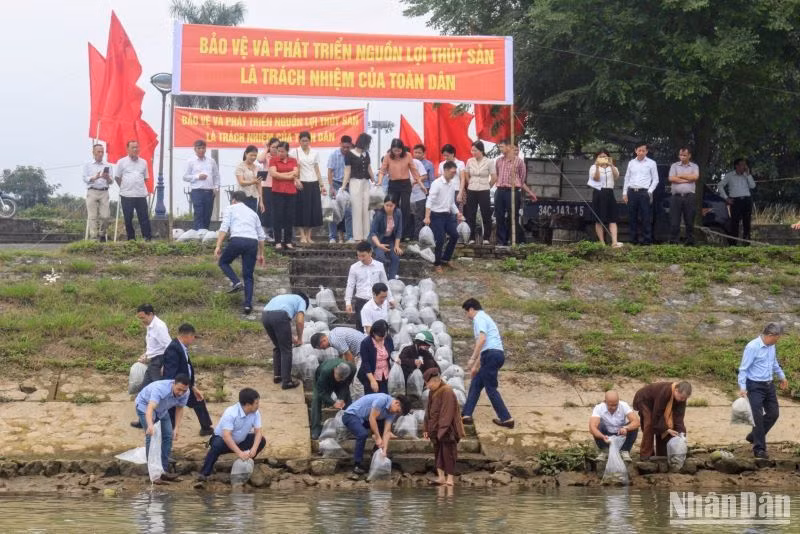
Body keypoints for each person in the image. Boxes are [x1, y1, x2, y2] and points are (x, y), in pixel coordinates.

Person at [460, 298, 514, 429]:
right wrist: (476, 367)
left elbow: (482, 340)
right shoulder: (484, 317)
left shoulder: (479, 318)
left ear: (471, 309)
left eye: (466, 312)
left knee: (490, 388)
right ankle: (466, 415)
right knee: (476, 383)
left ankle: (507, 419)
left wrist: (472, 358)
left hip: (491, 355)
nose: (467, 316)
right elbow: (485, 348)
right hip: (492, 355)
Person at [738, 323, 788, 459]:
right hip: (754, 386)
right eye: (777, 337)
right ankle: (759, 449)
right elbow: (743, 369)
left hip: (769, 385)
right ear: (770, 335)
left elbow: (774, 363)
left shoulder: (772, 346)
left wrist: (782, 376)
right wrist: (742, 387)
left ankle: (753, 436)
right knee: (757, 417)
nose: (778, 340)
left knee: (773, 413)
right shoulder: (752, 347)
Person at [214, 190, 267, 315]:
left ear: (234, 199)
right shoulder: (253, 213)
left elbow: (224, 228)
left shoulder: (230, 208)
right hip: (252, 242)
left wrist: (218, 245)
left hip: (237, 240)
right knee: (248, 275)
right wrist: (261, 254)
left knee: (223, 262)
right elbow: (261, 236)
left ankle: (236, 282)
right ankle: (248, 305)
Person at [197, 387, 266, 482]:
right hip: (224, 441)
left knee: (261, 440)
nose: (258, 405)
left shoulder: (255, 413)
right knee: (216, 445)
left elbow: (258, 432)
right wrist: (239, 453)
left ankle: (245, 462)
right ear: (248, 404)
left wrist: (254, 449)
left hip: (240, 441)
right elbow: (226, 436)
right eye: (256, 403)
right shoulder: (231, 412)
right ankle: (204, 473)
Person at [134, 374, 191, 484]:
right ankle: (153, 474)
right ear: (173, 383)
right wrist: (150, 425)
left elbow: (179, 409)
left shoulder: (186, 392)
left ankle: (163, 471)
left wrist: (176, 428)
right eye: (179, 389)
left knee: (168, 436)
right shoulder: (160, 389)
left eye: (184, 390)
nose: (181, 393)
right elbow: (150, 408)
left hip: (162, 410)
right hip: (144, 405)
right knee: (151, 436)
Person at [162, 323, 214, 436]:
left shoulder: (181, 347)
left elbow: (187, 368)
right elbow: (170, 373)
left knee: (198, 400)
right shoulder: (173, 349)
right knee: (172, 408)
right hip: (178, 386)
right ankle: (169, 433)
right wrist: (173, 389)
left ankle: (206, 428)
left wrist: (193, 387)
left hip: (186, 384)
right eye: (193, 337)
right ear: (188, 336)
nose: (193, 339)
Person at [342, 392, 411, 475]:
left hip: (365, 419)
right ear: (397, 403)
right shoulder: (382, 400)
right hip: (351, 416)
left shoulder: (392, 412)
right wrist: (378, 438)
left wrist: (384, 450)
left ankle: (376, 454)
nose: (395, 414)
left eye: (398, 413)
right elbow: (372, 418)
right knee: (362, 434)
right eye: (397, 411)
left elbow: (387, 431)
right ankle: (357, 464)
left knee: (383, 426)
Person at [129, 303, 171, 429]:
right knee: (144, 391)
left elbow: (169, 347)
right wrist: (146, 355)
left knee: (158, 393)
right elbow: (154, 346)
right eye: (140, 318)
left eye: (143, 318)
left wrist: (165, 365)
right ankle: (144, 420)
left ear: (151, 314)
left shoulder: (159, 326)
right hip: (153, 362)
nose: (141, 321)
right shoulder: (150, 325)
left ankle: (162, 422)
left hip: (159, 362)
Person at [423, 368, 465, 486]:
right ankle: (441, 477)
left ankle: (450, 479)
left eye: (428, 383)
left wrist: (442, 430)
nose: (427, 386)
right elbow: (428, 411)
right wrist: (426, 428)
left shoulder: (447, 391)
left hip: (447, 429)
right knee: (438, 453)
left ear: (436, 381)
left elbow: (447, 413)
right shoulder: (432, 392)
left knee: (448, 453)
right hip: (435, 428)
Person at [632, 381, 692, 460]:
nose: (683, 400)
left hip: (656, 404)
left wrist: (681, 433)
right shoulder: (665, 392)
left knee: (668, 424)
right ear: (676, 390)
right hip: (644, 400)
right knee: (650, 424)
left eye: (685, 398)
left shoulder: (681, 398)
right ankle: (646, 455)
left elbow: (679, 417)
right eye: (681, 397)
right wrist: (666, 429)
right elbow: (658, 414)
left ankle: (661, 454)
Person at [344, 241, 395, 332]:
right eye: (359, 256)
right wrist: (348, 302)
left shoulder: (379, 266)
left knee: (378, 328)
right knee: (361, 328)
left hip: (376, 301)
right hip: (361, 301)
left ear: (370, 253)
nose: (361, 258)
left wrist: (390, 299)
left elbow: (385, 283)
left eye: (363, 256)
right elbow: (350, 285)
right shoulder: (354, 267)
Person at [494, 140, 537, 246]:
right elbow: (497, 175)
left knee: (512, 217)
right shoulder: (499, 161)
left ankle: (514, 240)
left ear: (509, 147)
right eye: (499, 147)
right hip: (500, 190)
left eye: (502, 147)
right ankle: (501, 241)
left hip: (512, 191)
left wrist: (527, 191)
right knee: (499, 216)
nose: (500, 149)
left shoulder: (519, 162)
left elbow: (522, 179)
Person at [262, 291, 308, 389]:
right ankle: (287, 382)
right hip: (280, 316)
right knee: (286, 350)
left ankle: (277, 375)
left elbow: (281, 327)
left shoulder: (285, 297)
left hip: (265, 316)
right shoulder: (302, 300)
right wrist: (299, 338)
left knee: (278, 346)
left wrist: (291, 338)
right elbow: (300, 321)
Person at [424, 161, 464, 273]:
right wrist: (427, 216)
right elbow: (429, 201)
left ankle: (445, 258)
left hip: (448, 215)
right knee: (440, 239)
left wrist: (457, 213)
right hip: (436, 215)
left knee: (455, 235)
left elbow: (451, 202)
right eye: (452, 172)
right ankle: (437, 263)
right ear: (445, 170)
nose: (453, 175)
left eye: (455, 173)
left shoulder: (452, 184)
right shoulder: (436, 183)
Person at [379, 139, 420, 241]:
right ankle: (393, 232)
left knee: (405, 208)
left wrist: (420, 182)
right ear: (392, 149)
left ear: (402, 149)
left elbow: (413, 169)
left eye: (399, 150)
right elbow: (382, 170)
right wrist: (379, 181)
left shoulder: (408, 155)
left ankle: (404, 233)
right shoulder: (388, 156)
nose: (397, 153)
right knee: (392, 208)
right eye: (395, 150)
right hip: (393, 184)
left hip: (405, 184)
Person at [460, 141, 497, 244]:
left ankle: (486, 238)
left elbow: (494, 177)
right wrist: (470, 183)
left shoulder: (489, 161)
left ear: (481, 150)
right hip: (472, 189)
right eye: (472, 150)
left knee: (486, 213)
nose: (473, 152)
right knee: (471, 213)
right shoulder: (469, 161)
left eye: (475, 150)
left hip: (484, 189)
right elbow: (466, 173)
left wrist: (488, 186)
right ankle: (471, 237)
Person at [622, 142, 659, 245]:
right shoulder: (631, 163)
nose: (641, 152)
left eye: (643, 150)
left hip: (644, 192)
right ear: (635, 151)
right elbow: (627, 178)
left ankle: (646, 240)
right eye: (639, 150)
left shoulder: (651, 163)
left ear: (647, 151)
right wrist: (624, 193)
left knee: (646, 217)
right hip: (632, 191)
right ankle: (633, 240)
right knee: (632, 217)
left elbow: (656, 179)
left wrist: (649, 192)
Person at [114, 140, 152, 241]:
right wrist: (124, 187)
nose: (135, 149)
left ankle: (147, 238)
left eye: (137, 147)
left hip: (140, 195)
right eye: (133, 147)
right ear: (128, 149)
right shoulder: (122, 162)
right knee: (128, 218)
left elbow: (145, 178)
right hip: (126, 195)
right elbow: (117, 177)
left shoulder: (143, 162)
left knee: (144, 218)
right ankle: (131, 239)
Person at [589, 390, 640, 463]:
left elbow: (636, 422)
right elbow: (592, 427)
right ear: (605, 402)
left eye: (616, 405)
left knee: (633, 426)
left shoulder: (624, 405)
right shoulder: (599, 408)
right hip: (606, 435)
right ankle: (605, 450)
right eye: (611, 405)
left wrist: (626, 428)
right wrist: (602, 437)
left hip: (621, 433)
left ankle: (625, 450)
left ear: (618, 401)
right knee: (598, 425)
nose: (613, 407)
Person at [310, 359, 356, 440]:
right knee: (316, 399)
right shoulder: (325, 371)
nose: (339, 379)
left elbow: (345, 386)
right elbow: (321, 391)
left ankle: (350, 426)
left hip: (342, 384)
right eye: (338, 377)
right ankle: (315, 429)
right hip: (322, 379)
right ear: (335, 369)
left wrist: (342, 398)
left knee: (348, 400)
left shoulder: (352, 369)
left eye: (342, 378)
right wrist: (333, 402)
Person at [341, 133, 375, 241]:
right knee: (357, 209)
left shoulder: (366, 154)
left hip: (366, 182)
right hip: (355, 182)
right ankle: (358, 236)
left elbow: (369, 168)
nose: (368, 145)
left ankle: (366, 235)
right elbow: (347, 171)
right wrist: (343, 186)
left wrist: (374, 180)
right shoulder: (350, 154)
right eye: (368, 143)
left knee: (366, 209)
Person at [294, 131, 326, 244]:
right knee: (301, 210)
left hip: (313, 183)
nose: (305, 143)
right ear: (299, 141)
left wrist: (322, 185)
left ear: (310, 141)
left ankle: (308, 236)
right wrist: (296, 180)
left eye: (307, 140)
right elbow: (294, 169)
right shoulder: (295, 152)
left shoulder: (314, 152)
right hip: (301, 184)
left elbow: (317, 169)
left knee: (313, 210)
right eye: (303, 141)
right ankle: (302, 235)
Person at [182, 139, 221, 231]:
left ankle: (204, 233)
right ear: (195, 149)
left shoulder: (211, 161)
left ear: (205, 149)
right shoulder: (190, 161)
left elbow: (216, 175)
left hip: (209, 191)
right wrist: (197, 177)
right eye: (199, 148)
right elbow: (185, 177)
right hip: (197, 191)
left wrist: (216, 187)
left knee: (207, 214)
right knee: (199, 213)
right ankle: (198, 234)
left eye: (203, 148)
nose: (201, 150)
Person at [269, 141, 301, 250]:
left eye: (282, 151)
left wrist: (281, 175)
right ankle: (278, 241)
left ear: (287, 151)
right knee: (277, 216)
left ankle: (288, 241)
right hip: (277, 191)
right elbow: (273, 174)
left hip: (291, 192)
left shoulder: (293, 160)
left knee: (289, 217)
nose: (280, 153)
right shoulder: (273, 160)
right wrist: (289, 176)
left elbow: (296, 173)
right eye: (278, 151)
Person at [718, 158, 756, 246]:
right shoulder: (730, 175)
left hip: (746, 200)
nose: (744, 167)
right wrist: (726, 198)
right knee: (734, 223)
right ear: (737, 166)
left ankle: (746, 243)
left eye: (745, 165)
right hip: (735, 201)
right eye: (742, 164)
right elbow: (720, 185)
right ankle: (733, 244)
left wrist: (748, 175)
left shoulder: (747, 175)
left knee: (747, 222)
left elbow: (753, 186)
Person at [588, 149, 622, 247]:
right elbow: (596, 178)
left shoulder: (612, 167)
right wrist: (597, 167)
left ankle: (614, 242)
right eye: (600, 157)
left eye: (605, 156)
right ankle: (602, 243)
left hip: (609, 192)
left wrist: (611, 165)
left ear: (608, 157)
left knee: (613, 218)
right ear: (597, 158)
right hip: (599, 192)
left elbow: (616, 176)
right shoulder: (593, 167)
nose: (603, 158)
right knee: (599, 219)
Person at [667, 147, 700, 245]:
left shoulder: (694, 166)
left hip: (689, 196)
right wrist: (687, 179)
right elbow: (671, 178)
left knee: (689, 220)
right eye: (681, 155)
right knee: (674, 221)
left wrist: (680, 175)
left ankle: (690, 241)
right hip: (676, 196)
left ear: (689, 155)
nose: (682, 157)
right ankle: (674, 241)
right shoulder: (674, 166)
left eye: (684, 155)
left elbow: (695, 177)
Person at [83, 143, 112, 241]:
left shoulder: (108, 165)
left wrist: (107, 178)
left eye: (102, 152)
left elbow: (111, 181)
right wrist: (94, 178)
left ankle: (102, 233)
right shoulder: (87, 164)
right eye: (98, 152)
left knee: (106, 216)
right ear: (93, 152)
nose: (100, 154)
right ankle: (93, 237)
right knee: (92, 216)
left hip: (104, 192)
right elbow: (84, 178)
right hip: (92, 190)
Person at [327, 135, 354, 243]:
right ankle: (332, 237)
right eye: (344, 147)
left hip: (349, 186)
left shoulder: (353, 155)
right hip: (336, 184)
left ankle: (350, 236)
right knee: (332, 211)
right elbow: (329, 172)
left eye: (348, 147)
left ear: (351, 146)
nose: (346, 149)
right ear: (340, 144)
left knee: (349, 212)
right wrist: (331, 187)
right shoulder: (334, 155)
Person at [369, 196, 403, 280]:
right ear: (384, 205)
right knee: (380, 257)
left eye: (391, 205)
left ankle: (391, 279)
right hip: (378, 240)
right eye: (386, 205)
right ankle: (382, 279)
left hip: (390, 239)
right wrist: (379, 245)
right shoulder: (379, 214)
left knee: (395, 257)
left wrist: (397, 246)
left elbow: (399, 230)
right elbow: (373, 232)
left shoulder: (398, 213)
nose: (388, 208)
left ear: (395, 205)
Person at [357, 320, 395, 394]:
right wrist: (372, 380)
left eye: (384, 336)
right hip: (371, 375)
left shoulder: (388, 339)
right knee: (373, 397)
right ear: (374, 333)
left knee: (384, 396)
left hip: (385, 374)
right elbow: (365, 363)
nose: (382, 338)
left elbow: (392, 352)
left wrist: (396, 358)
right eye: (380, 337)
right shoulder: (366, 343)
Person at [257, 137, 280, 241]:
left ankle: (273, 232)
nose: (275, 149)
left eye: (277, 147)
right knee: (266, 209)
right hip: (266, 186)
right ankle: (264, 232)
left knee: (275, 210)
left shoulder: (281, 156)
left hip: (278, 186)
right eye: (273, 147)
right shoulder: (267, 156)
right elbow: (259, 159)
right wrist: (266, 148)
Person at [235, 145, 262, 214]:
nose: (253, 157)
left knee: (252, 216)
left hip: (254, 197)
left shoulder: (258, 167)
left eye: (255, 155)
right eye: (251, 155)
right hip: (242, 197)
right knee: (242, 216)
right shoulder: (240, 166)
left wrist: (261, 200)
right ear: (246, 154)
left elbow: (259, 185)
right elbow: (241, 182)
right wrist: (253, 182)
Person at [410, 149, 430, 238]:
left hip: (419, 195)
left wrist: (415, 181)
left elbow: (425, 176)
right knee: (409, 217)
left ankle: (418, 237)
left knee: (419, 217)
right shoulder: (398, 163)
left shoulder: (416, 162)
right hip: (407, 195)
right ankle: (408, 236)